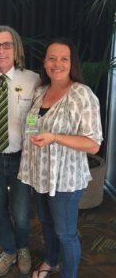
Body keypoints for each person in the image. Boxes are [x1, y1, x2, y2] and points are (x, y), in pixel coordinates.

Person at [18, 38, 103, 278]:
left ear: (71, 63)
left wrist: (55, 137)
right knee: (46, 224)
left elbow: (93, 144)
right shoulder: (40, 91)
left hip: (65, 180)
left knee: (65, 233)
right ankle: (52, 262)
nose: (57, 64)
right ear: (44, 63)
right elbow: (34, 122)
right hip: (40, 174)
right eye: (52, 58)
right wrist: (34, 135)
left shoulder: (82, 95)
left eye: (63, 59)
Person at [0, 25, 40, 277]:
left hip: (22, 158)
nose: (1, 50)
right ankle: (8, 249)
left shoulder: (33, 79)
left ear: (16, 50)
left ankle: (23, 247)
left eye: (7, 45)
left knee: (22, 212)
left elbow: (39, 115)